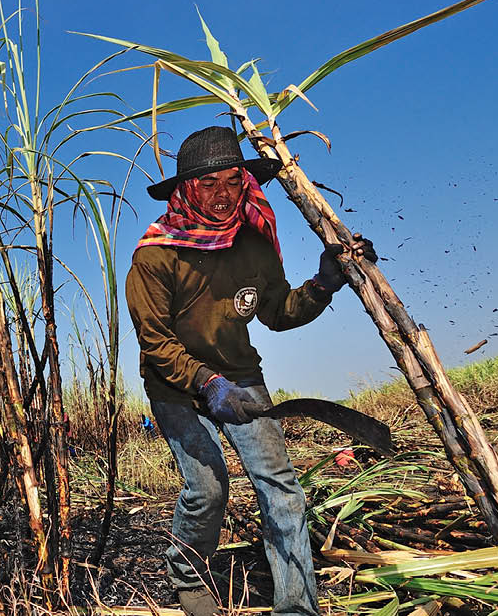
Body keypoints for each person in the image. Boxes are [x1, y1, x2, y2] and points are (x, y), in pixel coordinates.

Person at [125, 126, 375, 616]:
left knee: (280, 487)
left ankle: (297, 606)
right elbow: (155, 342)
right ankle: (188, 575)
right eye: (209, 184)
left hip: (241, 376)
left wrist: (323, 284)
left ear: (245, 184)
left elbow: (278, 311)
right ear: (186, 190)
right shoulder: (155, 255)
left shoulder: (253, 244)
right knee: (208, 487)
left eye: (232, 182)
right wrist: (206, 383)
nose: (222, 195)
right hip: (176, 385)